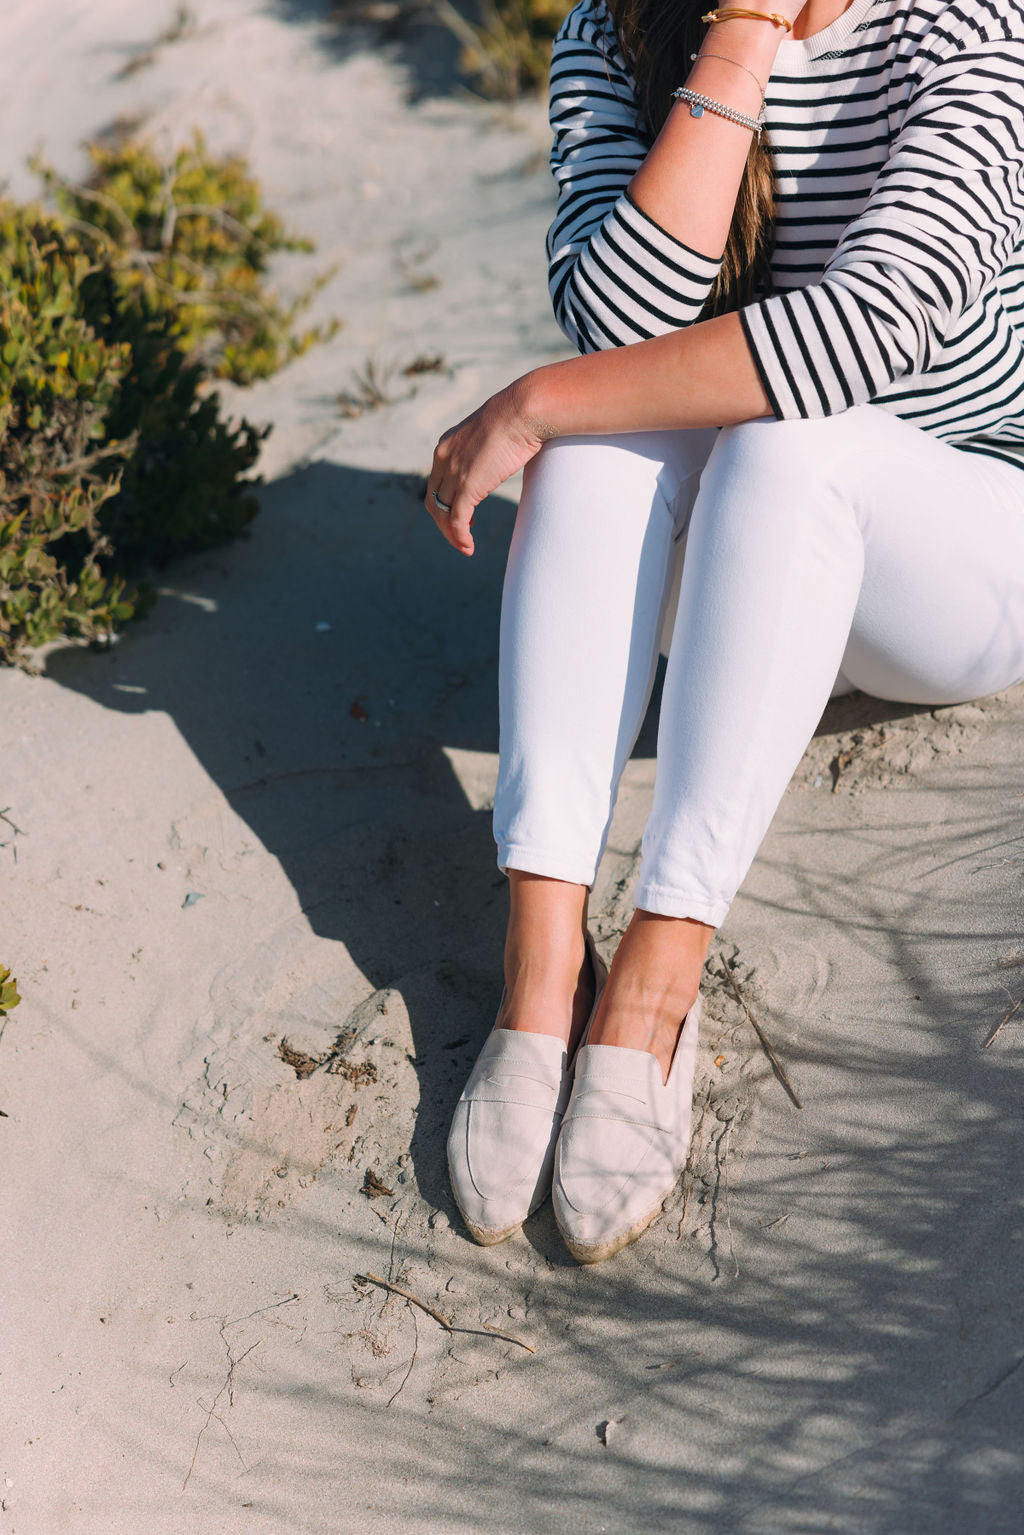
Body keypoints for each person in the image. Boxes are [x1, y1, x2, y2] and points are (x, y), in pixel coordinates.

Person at [425, 0, 1024, 1264]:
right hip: (750, 568)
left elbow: (866, 330)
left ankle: (657, 973)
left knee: (782, 443)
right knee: (593, 445)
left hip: (960, 550)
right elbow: (618, 336)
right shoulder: (611, 28)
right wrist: (741, 38)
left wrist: (529, 400)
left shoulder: (970, 26)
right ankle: (542, 966)